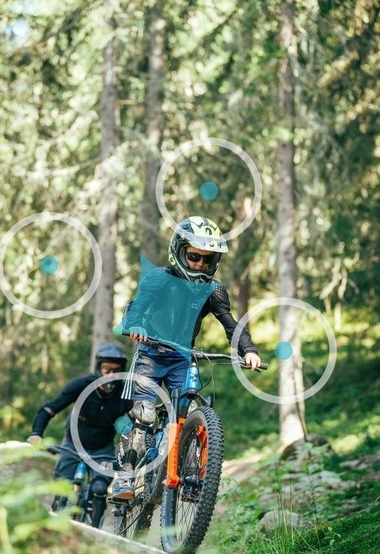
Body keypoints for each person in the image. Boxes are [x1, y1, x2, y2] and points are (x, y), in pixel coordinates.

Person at [112, 216, 261, 500]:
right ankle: (125, 478)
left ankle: (192, 479)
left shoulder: (213, 290)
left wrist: (249, 350)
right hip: (151, 353)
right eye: (194, 256)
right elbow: (136, 308)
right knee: (144, 413)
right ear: (179, 251)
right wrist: (136, 326)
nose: (200, 264)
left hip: (182, 357)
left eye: (207, 259)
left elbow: (231, 325)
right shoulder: (160, 278)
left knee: (189, 410)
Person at [27, 342, 133, 526]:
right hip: (72, 444)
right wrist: (37, 433)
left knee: (99, 489)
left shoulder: (125, 394)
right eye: (106, 369)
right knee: (62, 486)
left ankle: (94, 530)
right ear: (98, 368)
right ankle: (57, 518)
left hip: (103, 449)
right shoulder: (81, 385)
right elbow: (49, 409)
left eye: (116, 371)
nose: (110, 375)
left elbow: (138, 426)